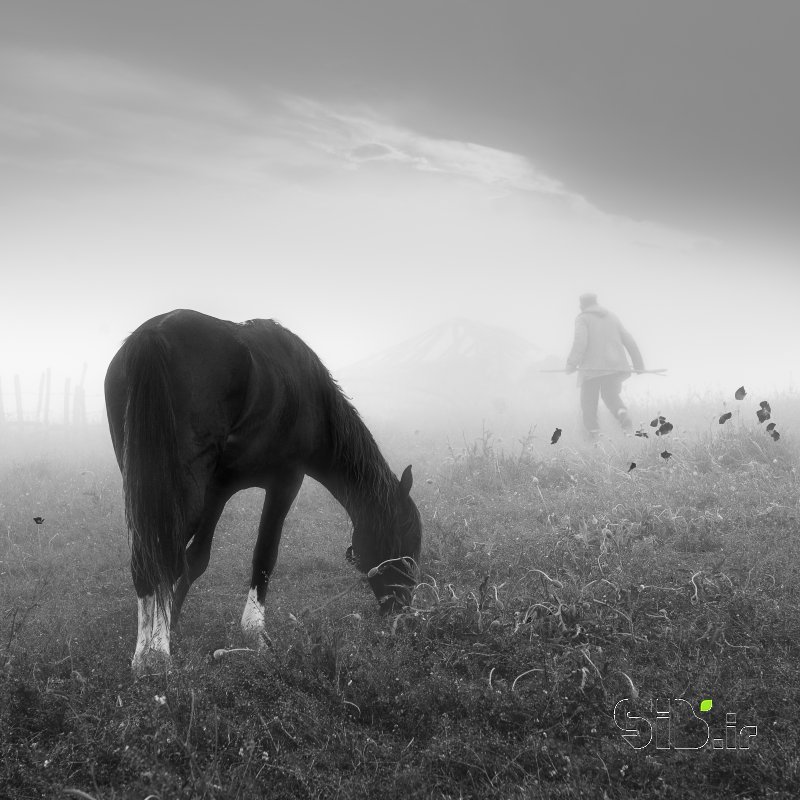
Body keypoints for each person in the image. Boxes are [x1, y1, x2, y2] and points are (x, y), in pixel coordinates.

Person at [566, 292, 644, 439]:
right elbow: (628, 339)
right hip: (615, 367)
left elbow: (580, 343)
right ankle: (621, 412)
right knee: (611, 395)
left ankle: (593, 435)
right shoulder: (612, 317)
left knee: (588, 403)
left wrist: (571, 364)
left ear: (581, 305)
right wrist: (638, 364)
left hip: (592, 369)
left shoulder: (583, 318)